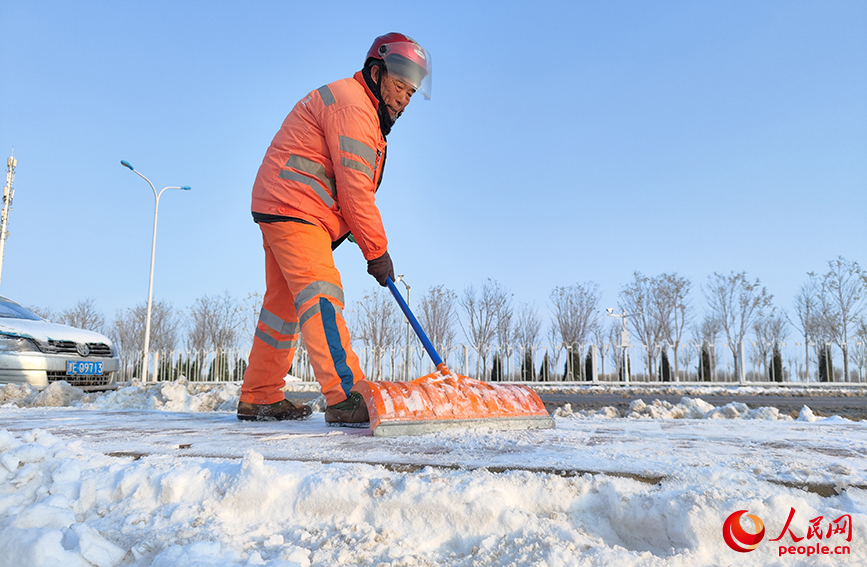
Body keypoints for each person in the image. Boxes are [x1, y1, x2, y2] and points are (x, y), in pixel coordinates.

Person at [237, 33, 431, 425]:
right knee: (321, 292)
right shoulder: (354, 107)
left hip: (283, 204)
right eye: (399, 87)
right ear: (375, 73)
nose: (404, 100)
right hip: (296, 206)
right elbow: (356, 190)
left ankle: (259, 395)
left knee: (283, 307)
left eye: (411, 93)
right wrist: (377, 252)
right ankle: (345, 396)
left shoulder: (358, 106)